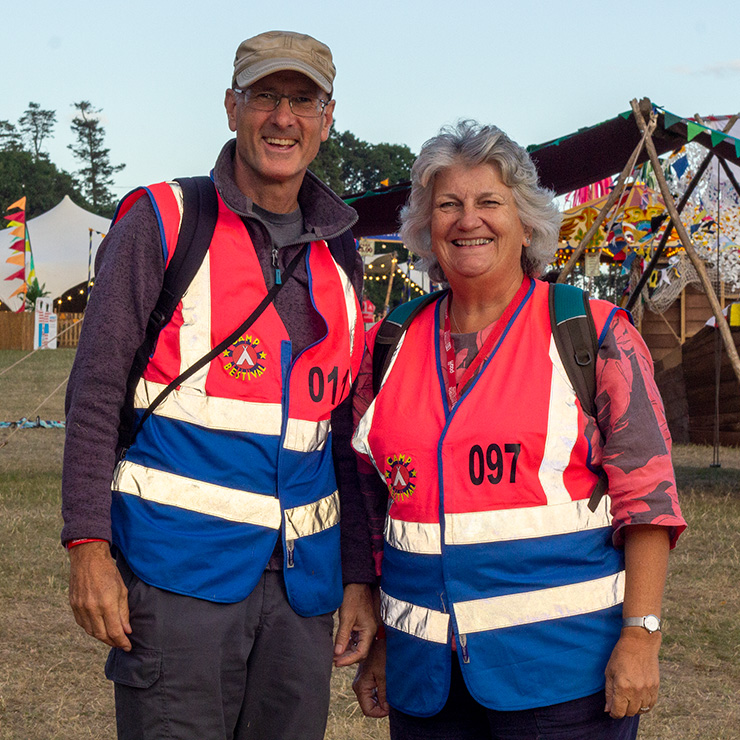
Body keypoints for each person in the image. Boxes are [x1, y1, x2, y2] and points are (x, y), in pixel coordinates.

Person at [62, 30, 375, 740]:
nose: (282, 118)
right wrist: (87, 548)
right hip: (177, 577)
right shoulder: (164, 220)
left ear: (328, 120)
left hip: (302, 592)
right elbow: (95, 393)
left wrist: (359, 576)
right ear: (232, 107)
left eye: (303, 100)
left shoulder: (342, 253)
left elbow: (342, 437)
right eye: (266, 95)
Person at [351, 120, 686, 740]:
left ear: (527, 221)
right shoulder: (389, 345)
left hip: (562, 678)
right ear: (426, 226)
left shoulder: (592, 334)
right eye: (447, 204)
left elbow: (650, 500)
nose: (467, 220)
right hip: (427, 683)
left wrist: (641, 636)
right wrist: (381, 632)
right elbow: (379, 504)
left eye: (489, 202)